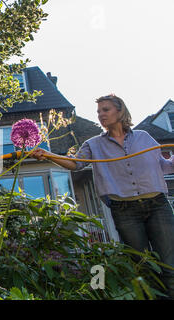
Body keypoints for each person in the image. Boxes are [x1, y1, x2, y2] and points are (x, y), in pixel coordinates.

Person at [30, 94, 174, 299]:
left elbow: (164, 166)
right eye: (99, 112)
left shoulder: (144, 137)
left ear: (120, 111)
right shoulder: (93, 144)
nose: (101, 115)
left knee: (169, 264)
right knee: (143, 265)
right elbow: (75, 164)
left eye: (105, 110)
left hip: (158, 205)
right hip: (125, 211)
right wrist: (48, 155)